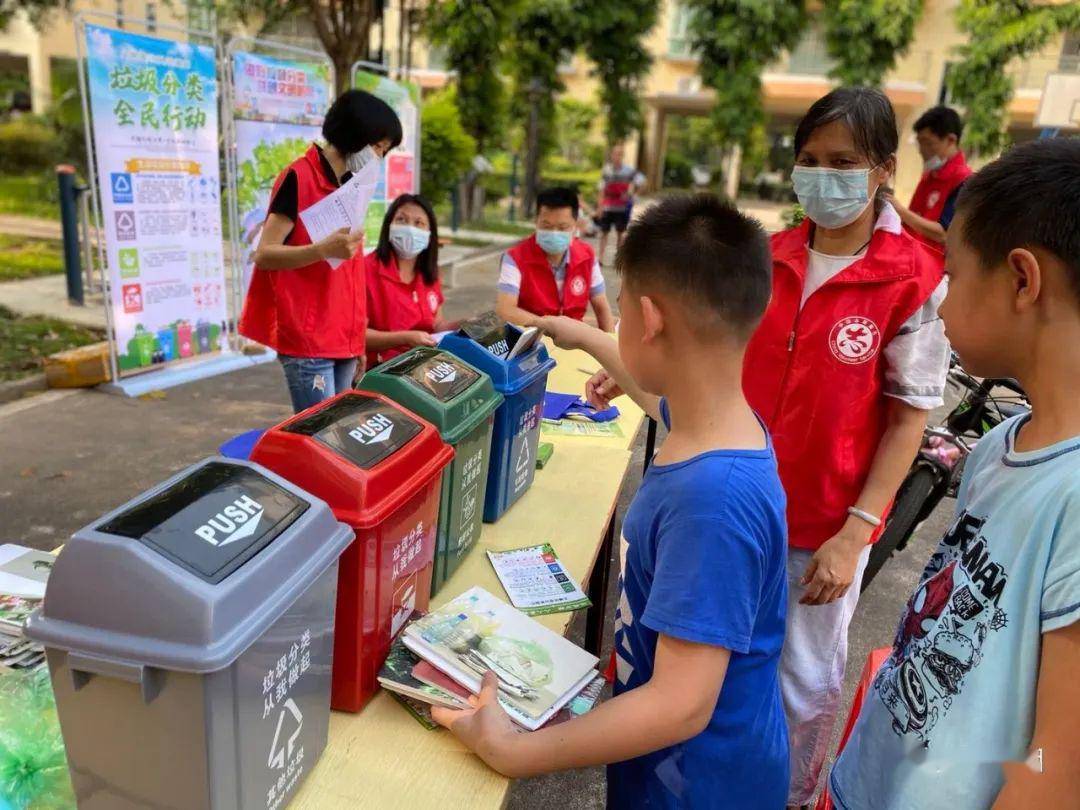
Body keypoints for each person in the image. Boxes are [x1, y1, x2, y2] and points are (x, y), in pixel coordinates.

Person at [584, 87, 950, 808]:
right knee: (692, 665)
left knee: (797, 683)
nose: (824, 175)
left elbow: (909, 418)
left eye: (843, 161)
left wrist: (858, 531)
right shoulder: (768, 256)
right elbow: (706, 354)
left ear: (882, 169)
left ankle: (783, 795)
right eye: (810, 160)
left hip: (819, 529)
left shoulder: (912, 282)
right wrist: (643, 362)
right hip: (728, 498)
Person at [434, 194, 790, 809]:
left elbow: (678, 706)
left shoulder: (712, 503)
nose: (617, 326)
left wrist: (513, 750)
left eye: (620, 313)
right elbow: (658, 400)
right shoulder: (718, 425)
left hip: (699, 786)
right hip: (673, 770)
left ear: (649, 318)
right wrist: (581, 336)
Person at [828, 137, 1080, 810]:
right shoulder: (1000, 445)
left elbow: (1057, 772)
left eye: (957, 274)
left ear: (1024, 280)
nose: (943, 301)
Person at [238, 89, 402, 412]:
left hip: (343, 335)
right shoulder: (298, 178)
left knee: (338, 434)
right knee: (320, 439)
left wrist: (358, 342)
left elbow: (351, 275)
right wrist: (320, 249)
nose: (378, 159)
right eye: (377, 147)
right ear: (356, 135)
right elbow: (265, 254)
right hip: (308, 338)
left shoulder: (352, 186)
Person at [495, 186, 615, 332]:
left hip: (574, 341)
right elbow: (506, 310)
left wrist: (610, 342)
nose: (554, 232)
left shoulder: (587, 256)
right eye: (546, 225)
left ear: (575, 225)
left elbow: (602, 308)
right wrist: (551, 327)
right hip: (529, 341)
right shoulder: (515, 258)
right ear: (536, 221)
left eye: (562, 227)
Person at [363, 194, 459, 367]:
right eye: (401, 219)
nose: (409, 228)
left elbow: (436, 324)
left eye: (419, 223)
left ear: (430, 234)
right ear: (388, 225)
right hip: (380, 369)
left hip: (426, 364)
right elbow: (356, 334)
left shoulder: (430, 273)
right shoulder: (366, 269)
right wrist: (405, 338)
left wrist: (462, 324)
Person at [886, 105, 972, 245]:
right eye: (920, 143)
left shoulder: (963, 181)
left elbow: (945, 234)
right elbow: (912, 220)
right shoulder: (929, 176)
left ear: (951, 140)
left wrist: (900, 210)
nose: (922, 151)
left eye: (928, 143)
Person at [596, 144, 645, 263]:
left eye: (619, 154)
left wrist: (632, 195)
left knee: (620, 233)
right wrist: (600, 207)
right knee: (604, 232)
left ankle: (617, 260)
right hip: (608, 205)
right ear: (611, 155)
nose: (616, 156)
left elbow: (642, 181)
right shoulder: (606, 170)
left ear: (622, 156)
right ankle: (600, 259)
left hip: (621, 207)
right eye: (615, 153)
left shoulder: (629, 171)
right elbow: (601, 189)